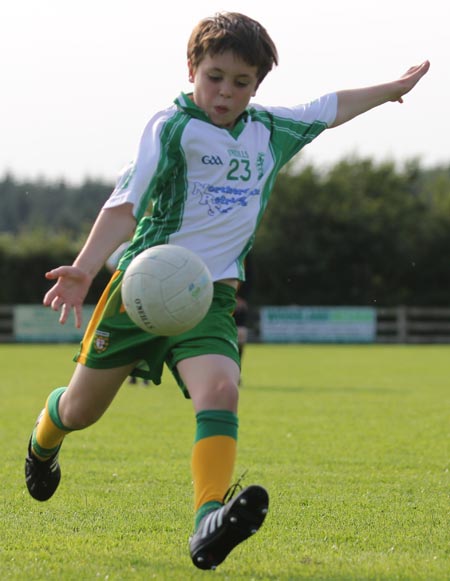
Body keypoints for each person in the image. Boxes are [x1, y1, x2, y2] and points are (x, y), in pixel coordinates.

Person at [24, 11, 429, 571]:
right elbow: (124, 204)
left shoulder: (269, 130)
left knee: (222, 389)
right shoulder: (170, 127)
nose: (226, 92)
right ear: (192, 68)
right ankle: (43, 441)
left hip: (208, 297)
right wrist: (85, 268)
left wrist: (391, 90)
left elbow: (329, 108)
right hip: (139, 292)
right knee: (80, 409)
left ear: (257, 85)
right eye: (215, 76)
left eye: (242, 82)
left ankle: (207, 521)